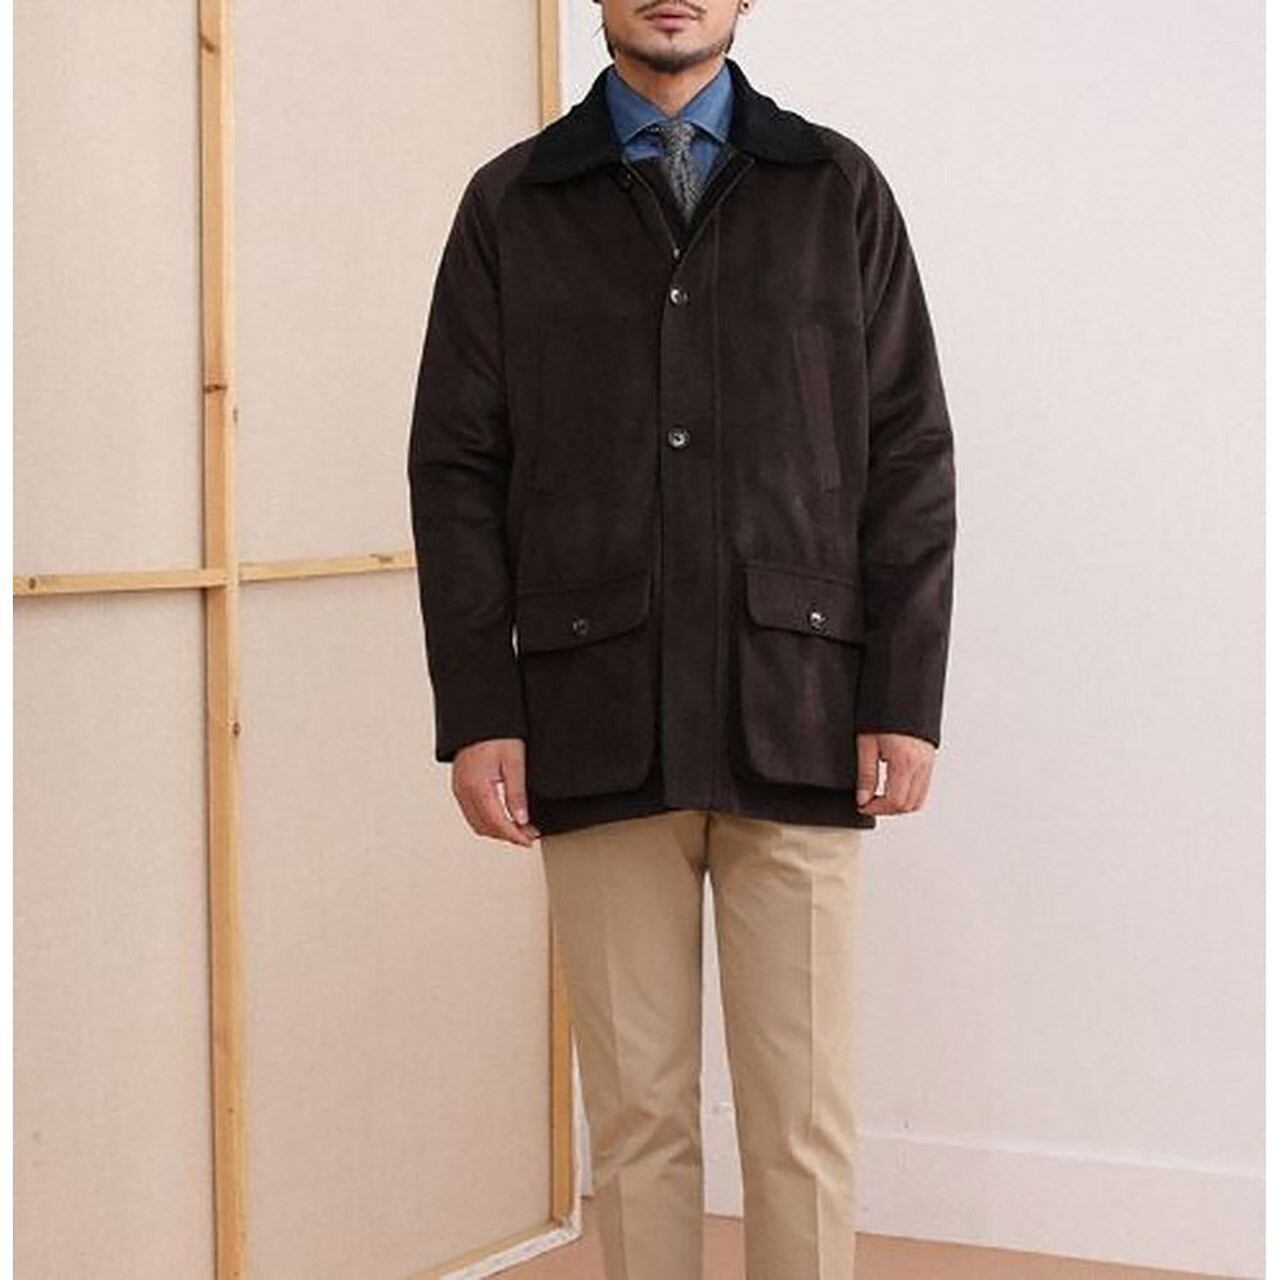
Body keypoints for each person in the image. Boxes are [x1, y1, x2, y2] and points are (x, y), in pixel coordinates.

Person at [407, 3, 956, 1276]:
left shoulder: (833, 188)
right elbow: (455, 467)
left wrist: (903, 692)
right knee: (636, 1119)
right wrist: (480, 708)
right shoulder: (513, 204)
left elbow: (907, 451)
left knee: (799, 1120)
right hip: (593, 712)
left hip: (797, 709)